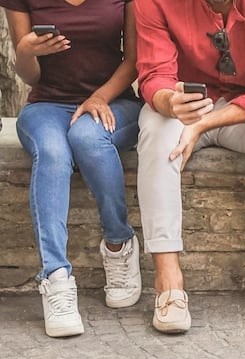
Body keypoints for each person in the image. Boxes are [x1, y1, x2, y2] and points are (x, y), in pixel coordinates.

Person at [134, 0, 245, 334]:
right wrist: (169, 101)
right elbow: (153, 75)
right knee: (155, 131)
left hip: (244, 109)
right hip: (182, 109)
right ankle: (168, 283)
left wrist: (205, 124)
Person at [2, 0, 142, 338]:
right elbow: (29, 75)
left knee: (86, 138)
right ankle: (56, 278)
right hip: (47, 105)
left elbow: (135, 60)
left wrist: (98, 98)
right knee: (51, 151)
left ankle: (118, 244)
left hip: (114, 102)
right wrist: (25, 50)